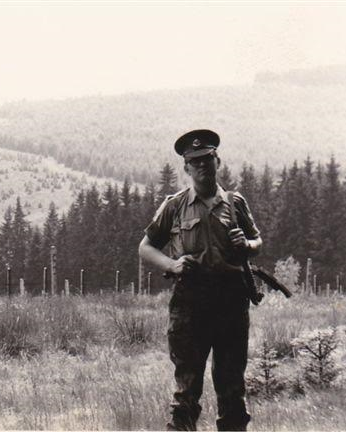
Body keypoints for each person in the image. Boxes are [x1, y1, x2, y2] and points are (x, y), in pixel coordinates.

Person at [138, 129, 262, 431]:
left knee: (232, 389)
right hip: (190, 305)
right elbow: (145, 247)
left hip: (231, 303)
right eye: (195, 161)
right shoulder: (175, 205)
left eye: (207, 158)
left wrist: (247, 245)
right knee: (186, 391)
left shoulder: (235, 202)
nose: (203, 165)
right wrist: (172, 264)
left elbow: (257, 240)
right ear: (186, 168)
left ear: (217, 160)